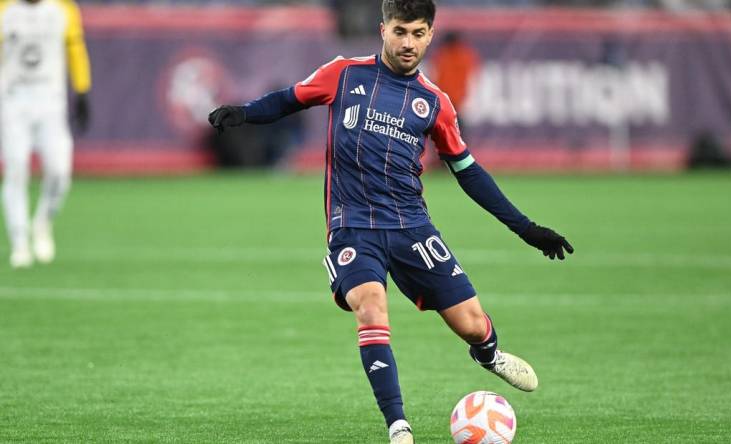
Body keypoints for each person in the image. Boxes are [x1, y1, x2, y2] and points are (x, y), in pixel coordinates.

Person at [209, 1, 573, 442]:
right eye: (400, 32)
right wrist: (245, 112)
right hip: (353, 225)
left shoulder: (435, 103)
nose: (408, 43)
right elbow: (289, 99)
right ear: (383, 30)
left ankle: (489, 355)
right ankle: (398, 427)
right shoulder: (344, 74)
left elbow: (469, 172)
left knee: (472, 324)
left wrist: (526, 228)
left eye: (418, 34)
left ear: (430, 36)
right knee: (370, 306)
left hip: (411, 227)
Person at [0, 0, 91, 268]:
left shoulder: (63, 9)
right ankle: (19, 241)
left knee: (59, 173)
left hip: (51, 103)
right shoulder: (5, 9)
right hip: (14, 102)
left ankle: (42, 222)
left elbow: (76, 49)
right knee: (16, 170)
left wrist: (83, 89)